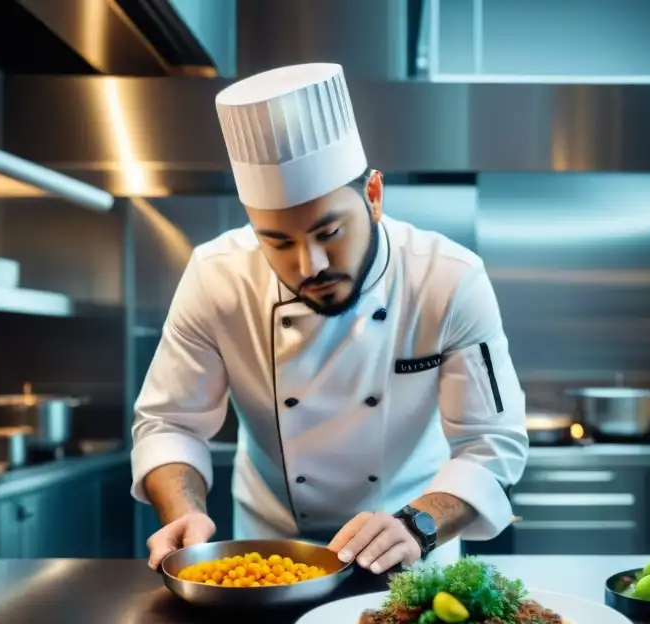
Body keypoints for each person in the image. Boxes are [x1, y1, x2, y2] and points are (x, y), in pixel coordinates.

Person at [132, 62, 528, 574]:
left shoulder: (448, 278)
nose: (309, 265)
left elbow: (490, 444)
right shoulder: (217, 276)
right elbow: (170, 422)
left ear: (374, 196)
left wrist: (419, 524)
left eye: (329, 232)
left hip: (413, 553)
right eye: (278, 241)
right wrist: (184, 513)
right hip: (269, 558)